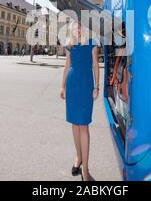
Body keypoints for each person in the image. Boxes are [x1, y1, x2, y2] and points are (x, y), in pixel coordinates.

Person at [59, 21, 100, 181]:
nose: (78, 29)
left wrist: (96, 87)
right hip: (72, 84)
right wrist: (62, 86)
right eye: (75, 26)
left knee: (83, 125)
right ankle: (78, 157)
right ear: (71, 29)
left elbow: (95, 66)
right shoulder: (69, 45)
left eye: (81, 26)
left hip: (85, 85)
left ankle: (85, 167)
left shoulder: (92, 42)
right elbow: (67, 65)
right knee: (74, 124)